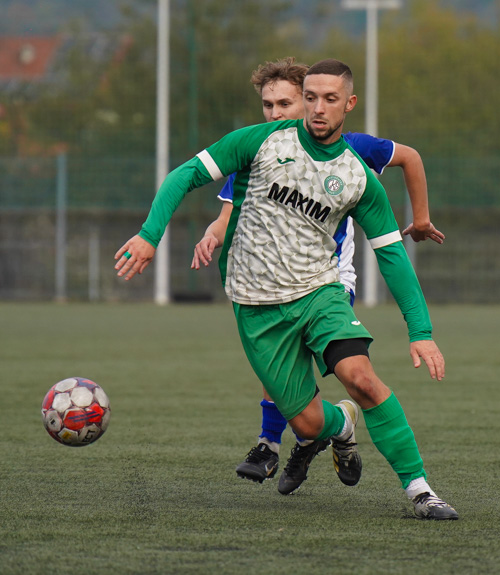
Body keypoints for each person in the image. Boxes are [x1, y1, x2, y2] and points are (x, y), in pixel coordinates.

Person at [115, 59, 458, 520]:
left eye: (329, 99)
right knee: (310, 423)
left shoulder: (358, 175)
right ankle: (338, 427)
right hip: (256, 306)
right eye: (311, 97)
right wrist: (149, 235)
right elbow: (185, 176)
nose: (317, 108)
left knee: (362, 379)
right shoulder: (258, 142)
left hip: (320, 292)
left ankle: (421, 491)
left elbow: (392, 255)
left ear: (348, 104)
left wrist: (421, 330)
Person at [189, 57, 444, 487]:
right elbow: (231, 208)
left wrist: (420, 219)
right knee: (292, 378)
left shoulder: (354, 147)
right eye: (268, 106)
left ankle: (274, 441)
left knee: (346, 373)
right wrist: (214, 234)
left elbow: (411, 157)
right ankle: (312, 434)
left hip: (328, 280)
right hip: (268, 283)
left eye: (286, 103)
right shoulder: (263, 150)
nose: (277, 114)